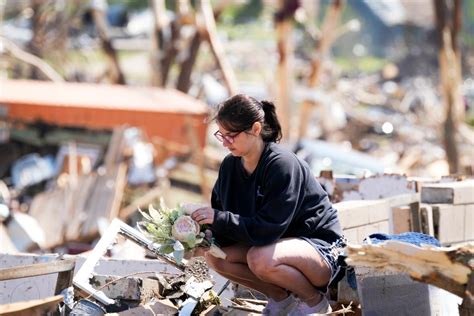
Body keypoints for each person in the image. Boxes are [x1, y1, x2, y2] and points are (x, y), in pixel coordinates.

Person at [189, 94, 346, 315]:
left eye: (231, 136)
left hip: (318, 249)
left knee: (258, 258)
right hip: (273, 246)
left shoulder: (282, 165)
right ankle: (282, 299)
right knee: (216, 255)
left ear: (255, 129)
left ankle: (314, 302)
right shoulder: (229, 167)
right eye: (221, 135)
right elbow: (225, 216)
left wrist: (218, 218)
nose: (225, 143)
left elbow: (267, 229)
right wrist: (205, 235)